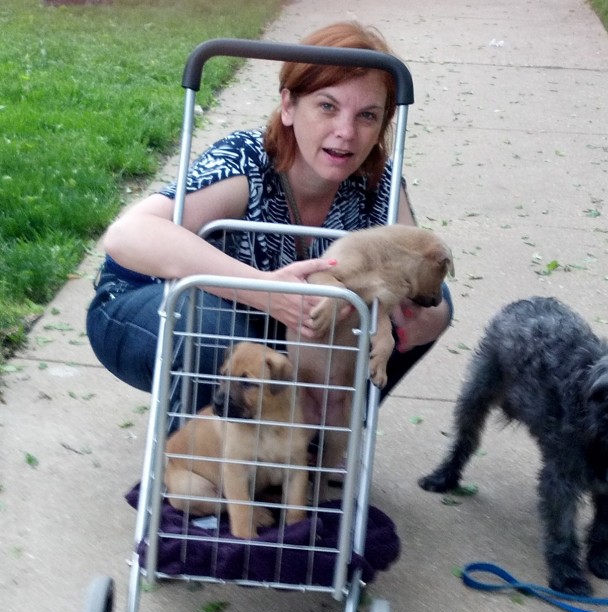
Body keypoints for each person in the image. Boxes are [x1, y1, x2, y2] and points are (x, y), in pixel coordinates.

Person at [86, 20, 452, 412]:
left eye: (367, 116)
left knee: (435, 297)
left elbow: (418, 286)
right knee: (221, 335)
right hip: (148, 306)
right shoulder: (247, 161)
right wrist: (265, 291)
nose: (346, 131)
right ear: (289, 106)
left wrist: (416, 316)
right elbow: (127, 235)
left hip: (274, 329)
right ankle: (200, 463)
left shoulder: (380, 183)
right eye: (327, 106)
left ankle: (321, 436)